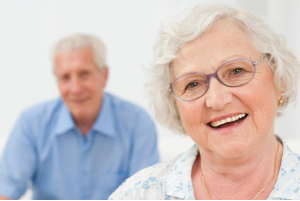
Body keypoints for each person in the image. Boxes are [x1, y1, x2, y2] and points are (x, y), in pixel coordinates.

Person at [109, 4, 300, 200]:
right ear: (175, 107)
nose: (217, 100)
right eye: (193, 84)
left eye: (236, 71)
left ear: (280, 80)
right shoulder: (138, 194)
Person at [0, 34, 160, 200]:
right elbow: (5, 194)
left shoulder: (137, 123)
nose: (75, 89)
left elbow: (146, 196)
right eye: (65, 77)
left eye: (84, 74)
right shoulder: (31, 123)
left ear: (104, 76)